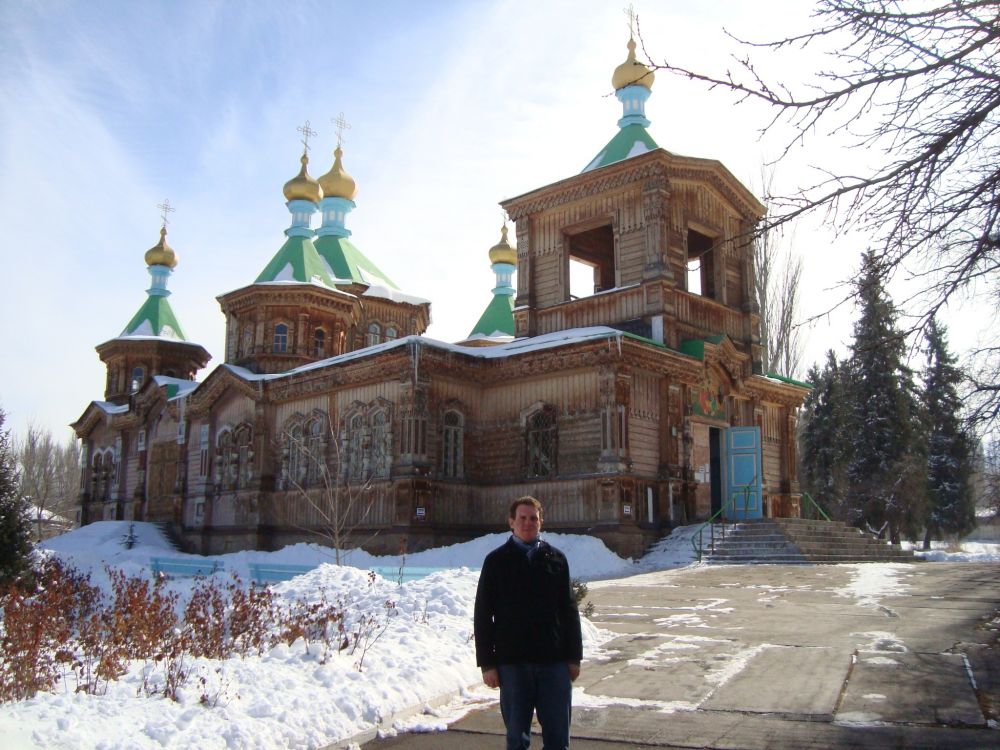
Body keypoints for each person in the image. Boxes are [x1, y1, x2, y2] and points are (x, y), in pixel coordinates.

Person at [474, 496, 583, 750]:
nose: (527, 523)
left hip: (553, 662)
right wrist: (487, 664)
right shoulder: (496, 561)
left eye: (533, 518)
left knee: (558, 739)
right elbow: (482, 615)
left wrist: (574, 657)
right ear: (511, 522)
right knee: (516, 738)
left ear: (541, 522)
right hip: (513, 663)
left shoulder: (556, 559)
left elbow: (569, 611)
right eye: (522, 518)